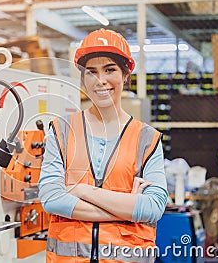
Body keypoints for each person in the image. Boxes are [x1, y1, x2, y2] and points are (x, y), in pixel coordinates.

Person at [38, 28, 168, 263]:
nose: (101, 80)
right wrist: (127, 209)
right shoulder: (62, 131)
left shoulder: (147, 138)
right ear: (83, 78)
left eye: (110, 70)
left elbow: (153, 208)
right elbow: (51, 197)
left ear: (125, 75)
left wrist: (81, 190)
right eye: (92, 72)